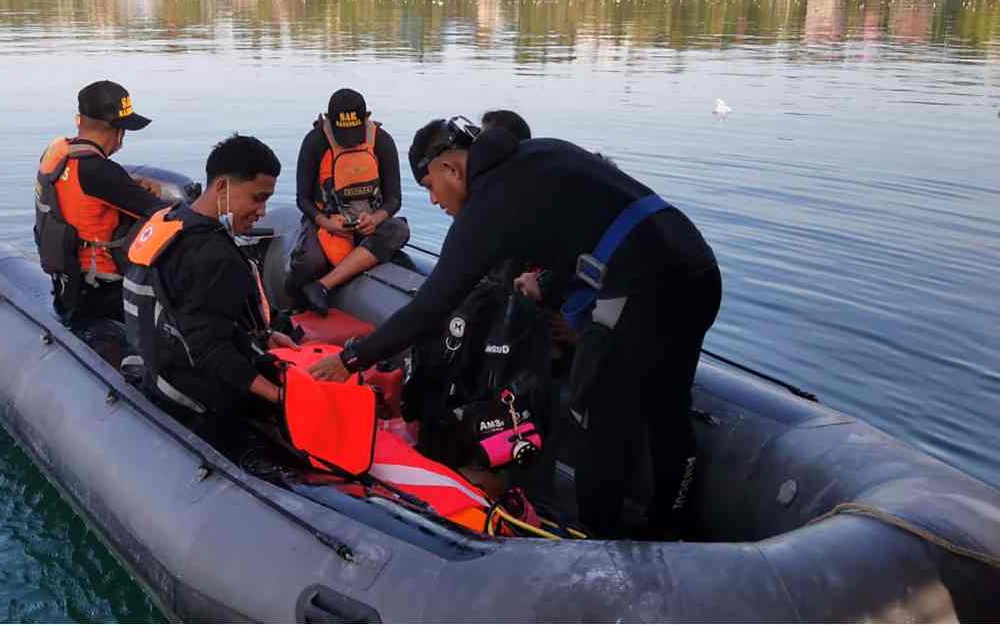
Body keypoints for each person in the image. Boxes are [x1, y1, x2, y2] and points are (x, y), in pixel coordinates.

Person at [309, 118, 722, 538]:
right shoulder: (542, 152)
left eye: (431, 186)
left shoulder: (488, 204)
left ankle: (599, 544)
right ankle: (674, 527)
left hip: (645, 288)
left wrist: (352, 358)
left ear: (451, 168)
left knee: (595, 415)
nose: (433, 200)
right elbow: (593, 227)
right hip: (698, 268)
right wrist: (548, 283)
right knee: (669, 408)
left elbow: (430, 308)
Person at [120, 134, 297, 418]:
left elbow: (191, 313)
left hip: (158, 369)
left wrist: (265, 335)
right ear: (223, 186)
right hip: (191, 395)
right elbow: (210, 351)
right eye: (258, 198)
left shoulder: (169, 220)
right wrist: (278, 396)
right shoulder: (217, 256)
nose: (262, 212)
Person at [34, 80, 169, 322]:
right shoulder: (100, 172)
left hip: (69, 285)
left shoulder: (58, 153)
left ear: (81, 120)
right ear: (117, 131)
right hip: (103, 293)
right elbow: (167, 217)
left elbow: (86, 191)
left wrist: (129, 184)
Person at [287, 88, 410, 315]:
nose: (350, 142)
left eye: (355, 132)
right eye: (343, 135)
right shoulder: (315, 142)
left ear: (366, 118)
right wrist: (326, 222)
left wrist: (375, 219)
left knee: (398, 229)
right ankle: (296, 304)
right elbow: (302, 199)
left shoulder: (383, 141)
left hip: (367, 223)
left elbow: (394, 199)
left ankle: (324, 285)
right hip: (327, 223)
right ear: (329, 120)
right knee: (309, 262)